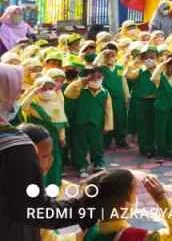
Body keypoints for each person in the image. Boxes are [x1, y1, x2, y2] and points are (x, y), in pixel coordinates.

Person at [1, 64, 102, 241]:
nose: (20, 95)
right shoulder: (15, 146)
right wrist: (87, 206)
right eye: (17, 92)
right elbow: (35, 210)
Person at [81, 169, 172, 241]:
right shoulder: (139, 237)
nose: (136, 199)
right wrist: (161, 198)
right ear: (123, 206)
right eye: (135, 194)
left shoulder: (89, 233)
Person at [18, 76, 68, 186]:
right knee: (37, 161)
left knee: (54, 161)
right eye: (44, 89)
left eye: (51, 88)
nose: (47, 92)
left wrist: (62, 137)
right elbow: (23, 106)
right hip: (36, 138)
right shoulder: (33, 104)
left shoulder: (56, 103)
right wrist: (34, 92)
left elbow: (61, 122)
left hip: (53, 137)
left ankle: (54, 184)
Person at [64, 66, 112, 177]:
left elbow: (108, 110)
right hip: (80, 123)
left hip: (97, 123)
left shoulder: (105, 92)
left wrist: (108, 125)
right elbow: (68, 92)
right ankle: (82, 166)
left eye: (99, 77)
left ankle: (98, 164)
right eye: (92, 77)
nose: (96, 80)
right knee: (80, 146)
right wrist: (82, 81)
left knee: (97, 145)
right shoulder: (79, 90)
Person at [125, 47, 158, 158]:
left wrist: (155, 68)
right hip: (141, 100)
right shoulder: (136, 67)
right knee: (143, 125)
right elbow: (129, 76)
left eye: (153, 56)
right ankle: (145, 149)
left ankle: (154, 147)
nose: (150, 59)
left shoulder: (158, 68)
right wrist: (142, 67)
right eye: (148, 56)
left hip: (155, 99)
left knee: (154, 124)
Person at [96, 46, 129, 149]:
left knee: (120, 119)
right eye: (109, 56)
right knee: (107, 119)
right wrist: (101, 56)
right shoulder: (100, 69)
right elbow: (94, 65)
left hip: (119, 98)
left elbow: (123, 81)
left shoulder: (119, 68)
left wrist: (127, 95)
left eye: (114, 56)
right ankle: (106, 141)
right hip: (106, 98)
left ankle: (120, 140)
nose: (112, 58)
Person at [152, 55, 172, 160]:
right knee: (161, 130)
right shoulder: (160, 78)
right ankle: (161, 151)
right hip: (161, 107)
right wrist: (162, 65)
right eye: (170, 66)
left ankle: (171, 150)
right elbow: (153, 78)